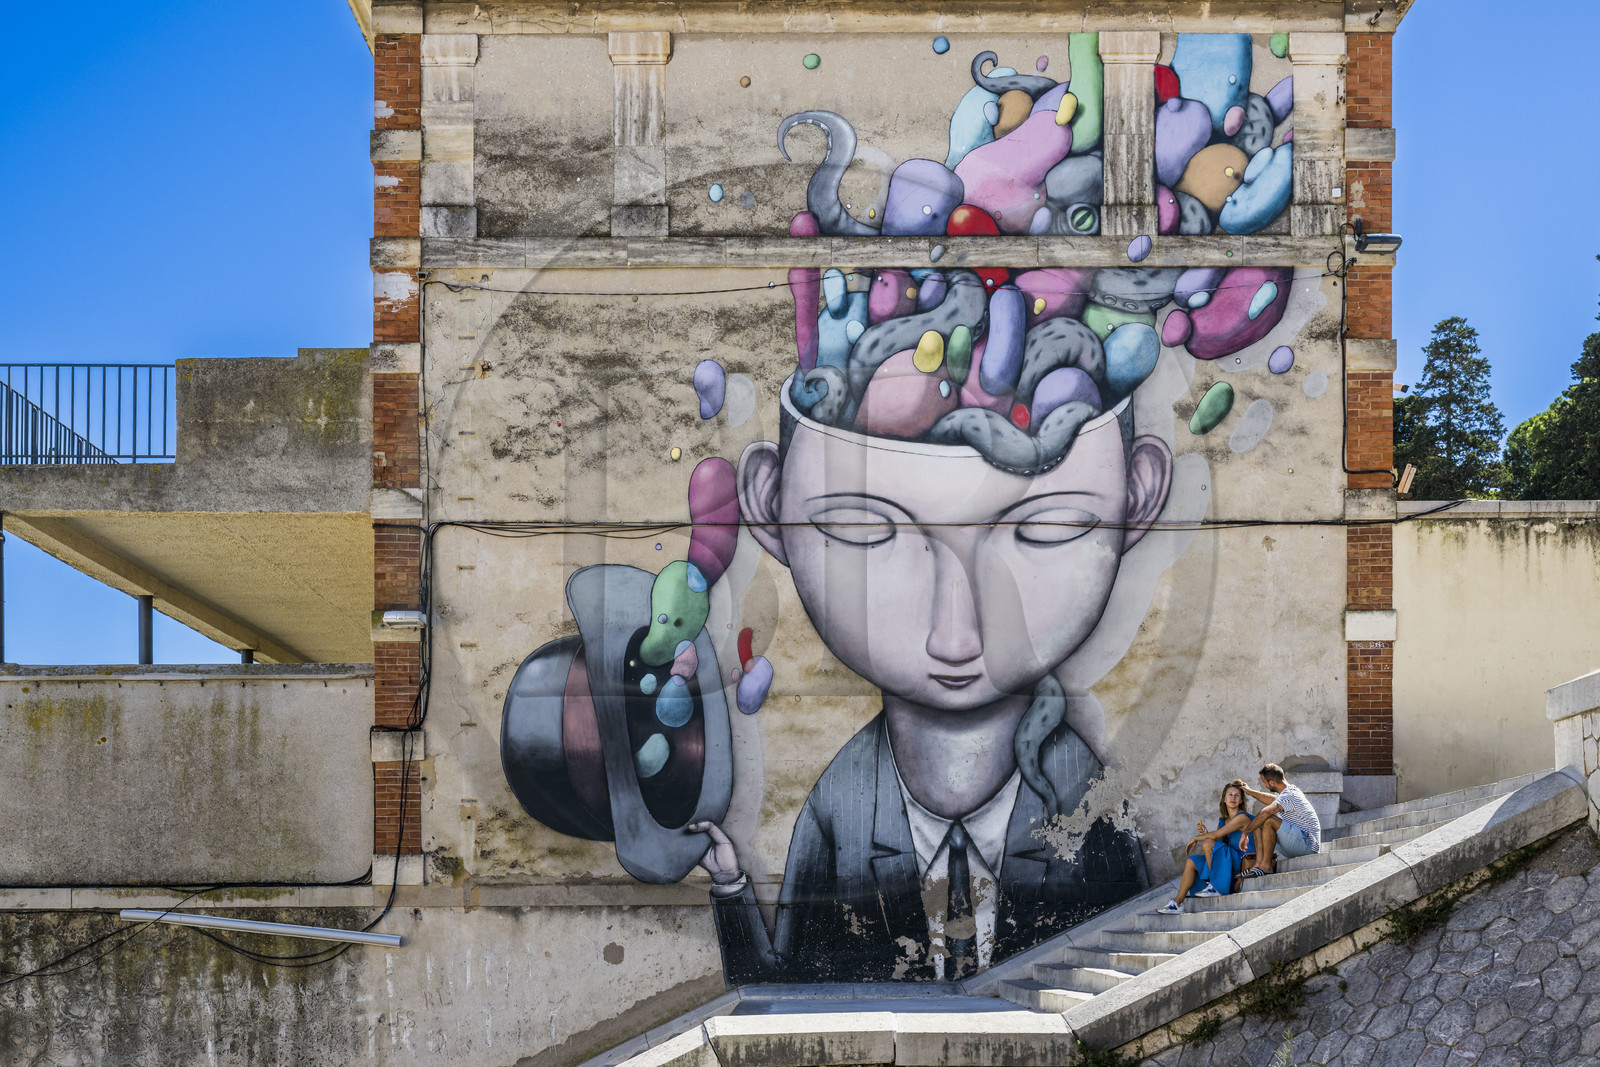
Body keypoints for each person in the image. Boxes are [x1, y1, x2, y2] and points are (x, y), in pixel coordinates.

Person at [686, 379, 1174, 983]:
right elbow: (794, 988)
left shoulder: (1084, 799)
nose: (956, 636)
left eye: (1046, 527)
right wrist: (733, 888)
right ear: (770, 504)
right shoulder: (840, 809)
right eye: (866, 530)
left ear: (1139, 494)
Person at [1156, 779, 1253, 915]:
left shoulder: (1242, 817)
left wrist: (1196, 838)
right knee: (1192, 861)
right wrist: (1206, 834)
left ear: (1241, 800)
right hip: (1228, 860)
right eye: (1229, 795)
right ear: (1224, 799)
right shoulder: (1223, 821)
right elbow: (1219, 841)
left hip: (1242, 859)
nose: (1233, 798)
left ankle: (1215, 885)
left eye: (1237, 795)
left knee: (1207, 842)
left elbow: (1217, 836)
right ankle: (1177, 903)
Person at [1238, 763, 1321, 877]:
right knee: (1258, 825)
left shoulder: (1289, 794)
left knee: (1268, 819)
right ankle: (1258, 865)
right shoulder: (1289, 791)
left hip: (1308, 846)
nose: (1265, 785)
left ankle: (1266, 867)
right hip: (1298, 843)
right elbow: (1271, 800)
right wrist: (1250, 792)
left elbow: (1267, 812)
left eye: (1264, 782)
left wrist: (1245, 833)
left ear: (1271, 782)